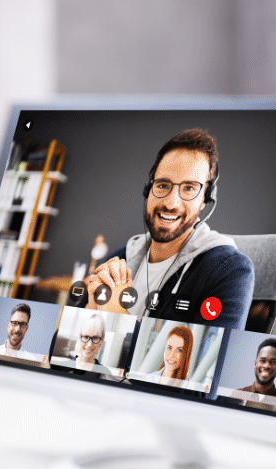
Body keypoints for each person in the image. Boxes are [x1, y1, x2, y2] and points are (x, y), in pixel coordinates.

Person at [81, 129, 254, 331]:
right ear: (148, 189)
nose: (171, 203)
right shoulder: (120, 259)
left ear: (205, 200)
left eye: (189, 188)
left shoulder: (230, 271)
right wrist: (88, 311)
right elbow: (58, 351)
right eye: (163, 185)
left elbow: (201, 359)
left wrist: (115, 316)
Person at [50, 312, 117, 376]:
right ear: (80, 337)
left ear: (101, 340)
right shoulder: (61, 367)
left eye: (95, 338)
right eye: (86, 337)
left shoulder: (105, 373)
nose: (89, 344)